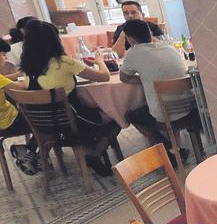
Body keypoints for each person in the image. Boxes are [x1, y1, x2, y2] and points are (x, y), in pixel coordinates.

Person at [16, 20, 118, 176]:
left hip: (44, 126)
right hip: (73, 123)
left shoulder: (28, 68)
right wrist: (100, 61)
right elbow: (104, 77)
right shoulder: (63, 62)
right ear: (54, 40)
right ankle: (94, 155)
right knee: (117, 118)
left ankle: (88, 147)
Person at [118, 19, 194, 160]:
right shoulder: (169, 47)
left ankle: (168, 150)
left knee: (133, 115)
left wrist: (146, 79)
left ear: (130, 38)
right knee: (163, 106)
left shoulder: (133, 53)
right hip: (189, 108)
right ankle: (174, 146)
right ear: (149, 32)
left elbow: (124, 78)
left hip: (164, 114)